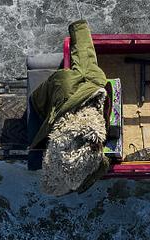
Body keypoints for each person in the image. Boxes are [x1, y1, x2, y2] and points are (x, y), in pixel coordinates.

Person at [29, 20, 110, 195]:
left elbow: (84, 53)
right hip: (44, 107)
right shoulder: (88, 81)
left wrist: (79, 26)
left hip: (42, 99)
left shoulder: (93, 79)